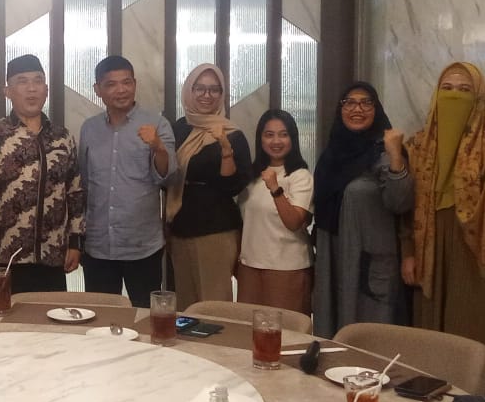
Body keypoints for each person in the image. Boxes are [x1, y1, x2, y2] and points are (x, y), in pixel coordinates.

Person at [405, 62, 485, 398]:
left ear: (479, 99)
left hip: (478, 263)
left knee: (477, 344)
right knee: (433, 344)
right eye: (447, 89)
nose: (454, 96)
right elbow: (407, 206)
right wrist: (408, 252)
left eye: (465, 90)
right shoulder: (419, 145)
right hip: (431, 257)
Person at [0, 54, 84, 293]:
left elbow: (75, 191)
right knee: (4, 316)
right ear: (7, 91)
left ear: (46, 90)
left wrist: (75, 242)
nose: (31, 88)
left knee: (52, 317)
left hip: (52, 255)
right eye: (22, 81)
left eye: (38, 80)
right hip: (5, 257)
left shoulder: (62, 137)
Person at [311, 82, 414, 338]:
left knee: (368, 337)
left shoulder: (384, 151)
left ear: (376, 109)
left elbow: (400, 202)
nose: (357, 109)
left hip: (367, 265)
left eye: (366, 102)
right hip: (333, 258)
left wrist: (395, 156)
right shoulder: (331, 155)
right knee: (332, 332)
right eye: (350, 102)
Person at [78, 54, 177, 307]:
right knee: (100, 314)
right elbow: (84, 183)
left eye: (127, 82)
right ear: (98, 89)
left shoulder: (157, 124)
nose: (121, 90)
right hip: (98, 245)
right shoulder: (89, 128)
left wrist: (158, 147)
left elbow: (167, 176)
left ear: (135, 84)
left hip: (142, 245)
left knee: (144, 316)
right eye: (111, 84)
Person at [165, 63, 252, 308]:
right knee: (184, 306)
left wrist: (225, 148)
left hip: (216, 230)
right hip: (180, 226)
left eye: (214, 89)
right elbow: (166, 176)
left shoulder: (232, 133)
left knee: (214, 306)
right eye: (200, 88)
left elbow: (233, 186)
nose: (207, 95)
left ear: (222, 94)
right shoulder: (178, 129)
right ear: (189, 90)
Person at [236, 109, 314, 315]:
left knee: (286, 330)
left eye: (283, 134)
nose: (276, 141)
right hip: (250, 265)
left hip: (287, 267)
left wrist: (275, 189)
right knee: (248, 328)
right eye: (269, 135)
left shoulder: (300, 176)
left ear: (292, 139)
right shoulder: (252, 175)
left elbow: (294, 222)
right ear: (260, 138)